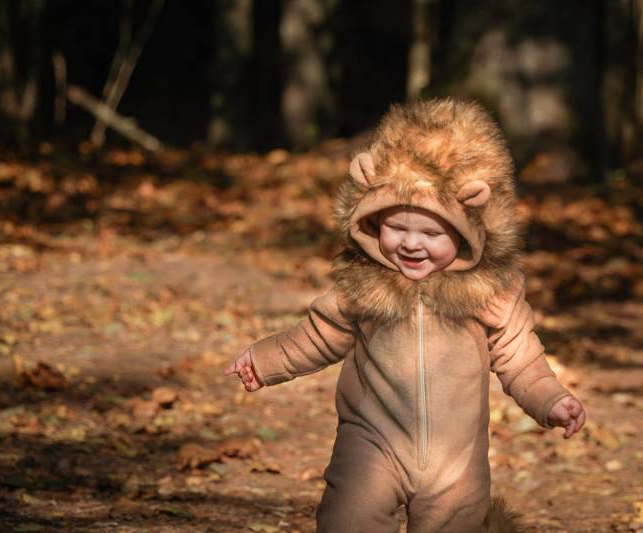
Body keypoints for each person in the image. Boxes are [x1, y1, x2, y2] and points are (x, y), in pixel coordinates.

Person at [224, 98, 586, 532]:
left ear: (469, 233)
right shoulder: (363, 286)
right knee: (349, 517)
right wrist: (263, 360)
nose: (412, 244)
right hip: (371, 440)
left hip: (457, 458)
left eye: (431, 232)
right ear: (374, 222)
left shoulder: (490, 294)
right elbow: (317, 335)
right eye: (397, 228)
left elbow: (520, 356)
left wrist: (551, 400)